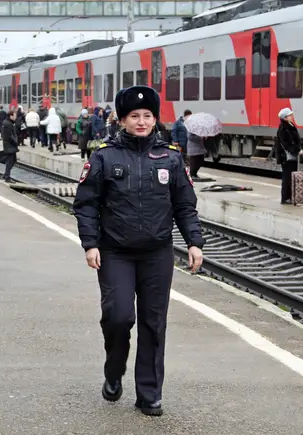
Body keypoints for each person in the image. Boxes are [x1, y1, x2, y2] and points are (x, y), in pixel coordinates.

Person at [72, 85, 205, 417]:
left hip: (157, 253)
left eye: (148, 116)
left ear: (155, 119)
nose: (142, 121)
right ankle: (114, 370)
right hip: (115, 252)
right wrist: (90, 244)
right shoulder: (103, 155)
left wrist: (194, 242)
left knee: (153, 323)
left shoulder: (171, 156)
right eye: (135, 116)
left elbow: (185, 206)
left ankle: (149, 393)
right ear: (122, 119)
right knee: (119, 317)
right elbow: (86, 205)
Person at [275, 108, 303, 204]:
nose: (292, 116)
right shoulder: (283, 128)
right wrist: (297, 150)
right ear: (285, 118)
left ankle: (290, 197)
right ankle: (285, 198)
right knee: (287, 177)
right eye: (290, 115)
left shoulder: (290, 125)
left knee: (291, 177)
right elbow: (286, 144)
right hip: (286, 157)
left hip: (291, 157)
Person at [0, 109, 19, 182]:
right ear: (11, 116)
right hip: (9, 145)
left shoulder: (7, 123)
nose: (15, 117)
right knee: (10, 161)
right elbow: (10, 136)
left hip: (9, 145)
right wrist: (16, 141)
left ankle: (6, 174)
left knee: (12, 160)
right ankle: (7, 177)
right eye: (14, 116)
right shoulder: (8, 124)